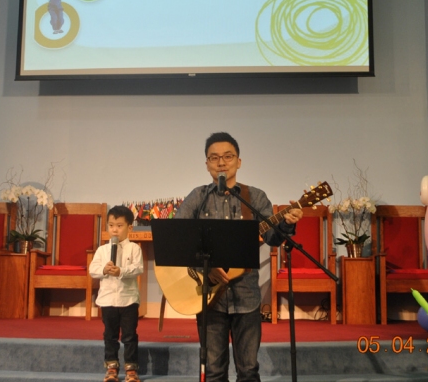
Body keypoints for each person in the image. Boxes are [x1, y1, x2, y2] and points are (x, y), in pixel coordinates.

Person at [174, 132, 303, 382]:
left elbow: (272, 238)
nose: (221, 162)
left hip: (246, 295)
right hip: (208, 297)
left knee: (248, 370)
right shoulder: (198, 197)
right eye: (214, 158)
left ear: (239, 161)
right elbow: (179, 238)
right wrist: (206, 268)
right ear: (207, 164)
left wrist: (286, 224)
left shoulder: (255, 197)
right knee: (214, 372)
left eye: (228, 156)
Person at [89, 205, 144, 382]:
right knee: (110, 335)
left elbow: (138, 268)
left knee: (129, 336)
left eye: (119, 226)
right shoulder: (102, 250)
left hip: (128, 299)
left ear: (130, 228)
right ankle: (111, 367)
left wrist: (121, 271)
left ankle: (131, 369)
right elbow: (92, 269)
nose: (114, 230)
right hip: (108, 300)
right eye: (111, 225)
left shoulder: (134, 248)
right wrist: (104, 270)